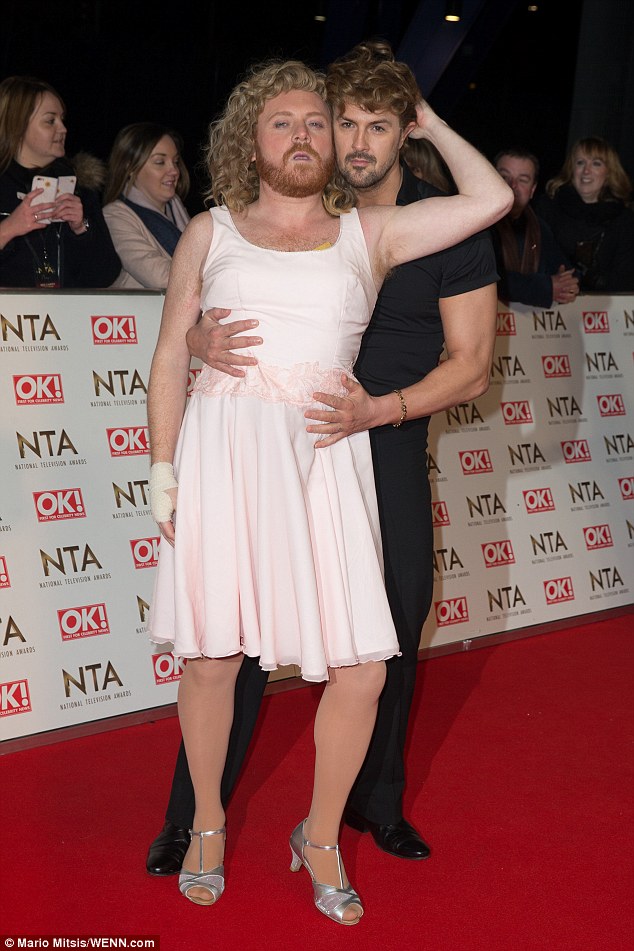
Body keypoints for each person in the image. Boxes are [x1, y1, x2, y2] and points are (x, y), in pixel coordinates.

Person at [146, 56, 511, 923]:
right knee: (211, 657)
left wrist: (426, 121)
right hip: (225, 454)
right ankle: (203, 823)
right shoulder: (211, 229)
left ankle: (317, 833)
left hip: (324, 459)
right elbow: (168, 350)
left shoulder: (372, 233)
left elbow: (492, 198)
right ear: (251, 139)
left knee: (359, 671)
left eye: (319, 121)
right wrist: (161, 468)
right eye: (286, 121)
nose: (307, 134)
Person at [0, 75, 120, 288]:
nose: (63, 128)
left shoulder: (78, 187)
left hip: (66, 317)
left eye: (62, 119)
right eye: (50, 120)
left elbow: (106, 275)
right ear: (17, 125)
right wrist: (9, 228)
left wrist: (81, 228)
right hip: (8, 319)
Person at [535, 136, 634, 293]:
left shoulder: (624, 218)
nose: (586, 171)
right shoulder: (548, 207)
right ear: (571, 169)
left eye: (596, 163)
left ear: (608, 172)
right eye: (580, 163)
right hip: (550, 304)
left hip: (607, 307)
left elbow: (626, 276)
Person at [103, 123, 191, 289]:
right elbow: (160, 277)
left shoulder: (179, 213)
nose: (174, 170)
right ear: (129, 167)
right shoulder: (114, 217)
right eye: (160, 162)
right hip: (138, 314)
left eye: (175, 161)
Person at [492, 148, 579, 307]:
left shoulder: (539, 228)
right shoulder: (475, 226)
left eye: (523, 180)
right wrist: (545, 288)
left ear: (532, 190)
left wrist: (568, 285)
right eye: (504, 177)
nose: (512, 185)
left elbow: (566, 270)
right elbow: (486, 278)